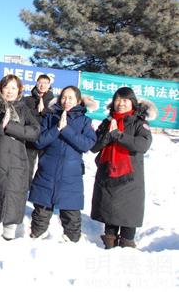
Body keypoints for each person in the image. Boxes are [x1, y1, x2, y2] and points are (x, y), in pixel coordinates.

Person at [28, 86, 96, 242]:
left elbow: (87, 144)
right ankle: (36, 237)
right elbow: (39, 141)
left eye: (71, 98)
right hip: (47, 170)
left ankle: (72, 240)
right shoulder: (50, 117)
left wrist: (66, 130)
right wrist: (57, 128)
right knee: (41, 210)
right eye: (64, 97)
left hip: (70, 174)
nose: (66, 101)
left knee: (71, 212)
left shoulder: (85, 121)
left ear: (78, 101)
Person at [0, 75, 40, 240]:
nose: (10, 91)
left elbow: (34, 131)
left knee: (13, 194)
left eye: (14, 87)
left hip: (16, 161)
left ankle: (9, 234)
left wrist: (10, 127)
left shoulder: (23, 109)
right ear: (1, 89)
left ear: (19, 90)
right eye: (7, 87)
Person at [90, 87, 152, 249]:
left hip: (130, 178)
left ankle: (127, 244)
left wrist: (118, 135)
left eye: (125, 100)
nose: (121, 104)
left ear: (132, 102)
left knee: (128, 212)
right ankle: (108, 243)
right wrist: (108, 136)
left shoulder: (139, 123)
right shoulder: (107, 122)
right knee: (109, 209)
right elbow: (94, 146)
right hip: (108, 173)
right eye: (117, 100)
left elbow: (143, 144)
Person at [24, 74, 55, 184]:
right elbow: (24, 114)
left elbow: (55, 117)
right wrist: (37, 112)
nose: (42, 85)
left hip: (46, 138)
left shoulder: (54, 102)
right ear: (36, 83)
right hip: (30, 138)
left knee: (45, 166)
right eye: (40, 83)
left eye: (45, 83)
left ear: (49, 85)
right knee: (27, 166)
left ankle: (39, 187)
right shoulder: (28, 100)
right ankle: (26, 187)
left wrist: (44, 111)